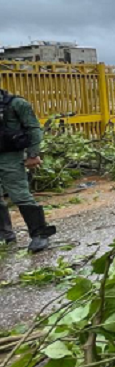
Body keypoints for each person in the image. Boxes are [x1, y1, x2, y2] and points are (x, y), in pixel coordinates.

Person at [0, 88, 57, 252]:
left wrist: (33, 154)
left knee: (20, 195)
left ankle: (40, 234)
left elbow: (33, 128)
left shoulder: (16, 104)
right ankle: (5, 234)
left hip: (10, 157)